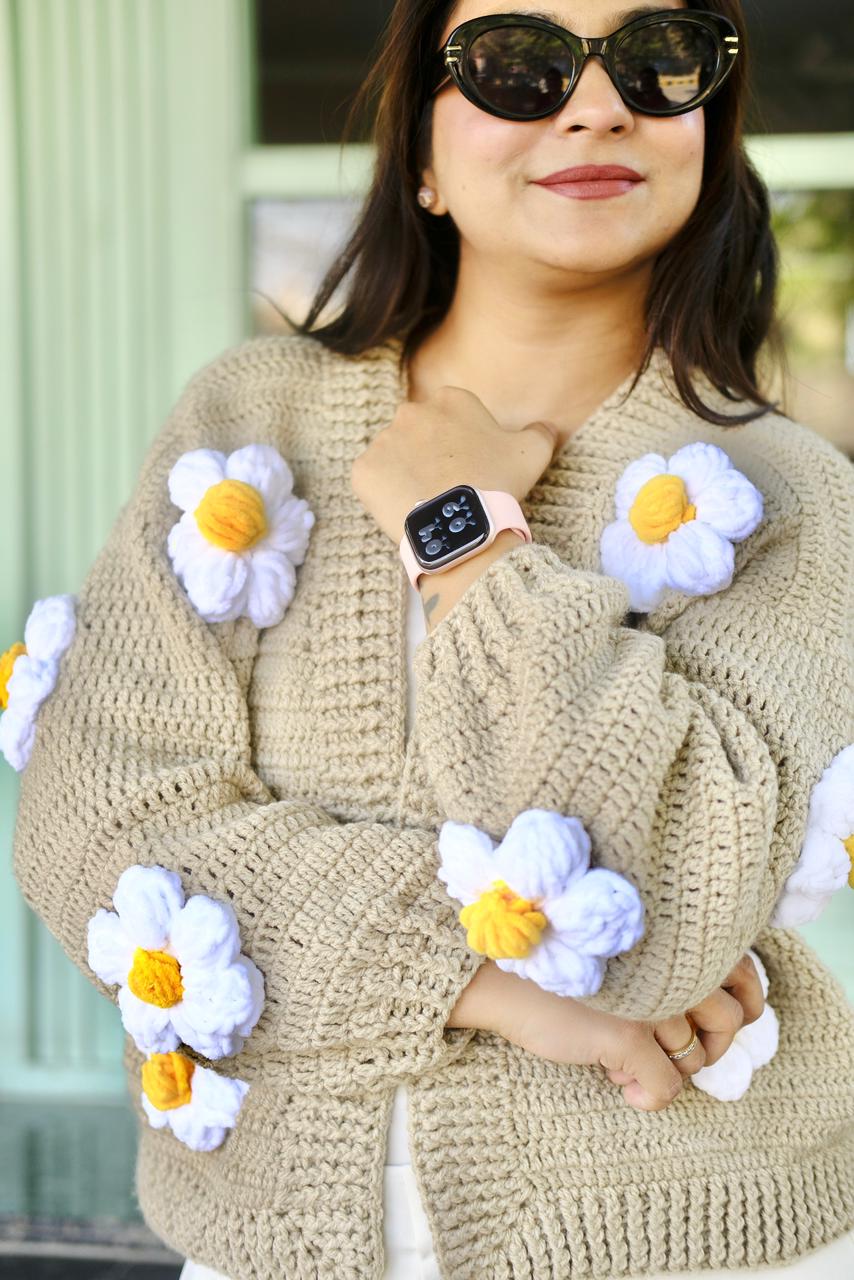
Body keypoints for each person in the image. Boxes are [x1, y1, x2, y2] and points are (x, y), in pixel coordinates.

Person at [9, 1, 854, 1278]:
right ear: (417, 154)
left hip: (690, 1238)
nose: (594, 103)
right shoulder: (251, 430)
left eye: (654, 60)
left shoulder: (777, 495)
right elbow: (101, 824)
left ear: (706, 127)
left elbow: (665, 896)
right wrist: (505, 988)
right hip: (270, 1241)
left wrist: (466, 537)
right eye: (517, 65)